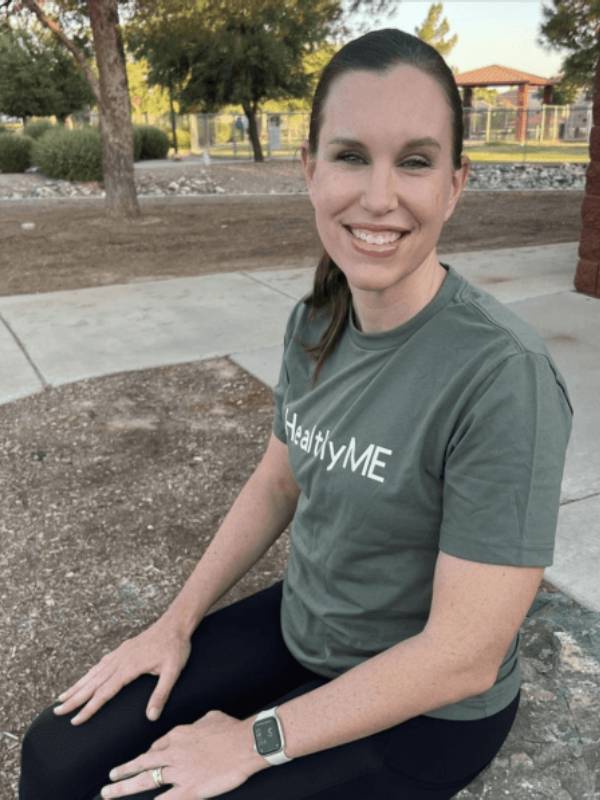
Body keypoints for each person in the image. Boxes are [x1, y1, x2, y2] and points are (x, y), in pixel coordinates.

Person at [19, 27, 574, 800]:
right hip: (301, 630)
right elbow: (278, 483)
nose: (379, 196)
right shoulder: (316, 321)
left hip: (428, 710)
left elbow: (464, 655)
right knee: (53, 759)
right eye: (351, 156)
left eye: (414, 161)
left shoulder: (503, 377)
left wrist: (253, 740)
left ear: (454, 184)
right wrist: (174, 622)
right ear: (310, 170)